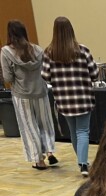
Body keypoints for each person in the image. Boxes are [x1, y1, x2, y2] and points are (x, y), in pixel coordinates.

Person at [42, 16, 98, 176]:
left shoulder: (49, 52)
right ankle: (83, 164)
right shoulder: (83, 50)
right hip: (83, 98)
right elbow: (94, 73)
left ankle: (82, 162)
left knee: (74, 132)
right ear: (71, 30)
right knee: (83, 131)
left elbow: (45, 76)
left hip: (64, 99)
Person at [1, 20, 58, 170]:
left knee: (29, 127)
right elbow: (46, 71)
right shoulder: (38, 50)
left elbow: (7, 78)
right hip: (41, 91)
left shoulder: (6, 52)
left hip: (22, 95)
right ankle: (50, 151)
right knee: (45, 123)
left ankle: (39, 160)